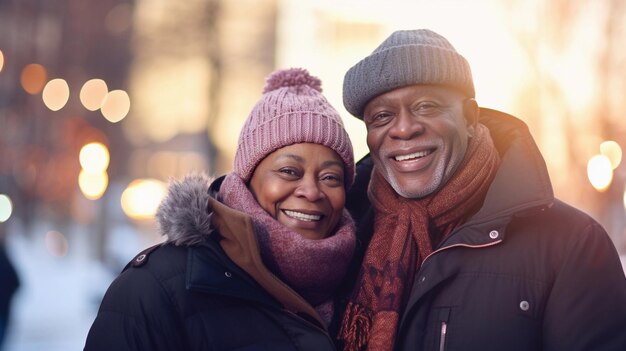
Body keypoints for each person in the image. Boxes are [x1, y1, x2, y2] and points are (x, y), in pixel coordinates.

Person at [336, 29, 626, 351]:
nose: (404, 129)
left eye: (426, 107)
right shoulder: (343, 238)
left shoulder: (572, 244)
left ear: (471, 118)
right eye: (382, 116)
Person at [84, 68, 357, 351]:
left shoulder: (366, 284)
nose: (311, 191)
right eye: (289, 171)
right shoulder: (155, 289)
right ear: (247, 179)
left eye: (330, 177)